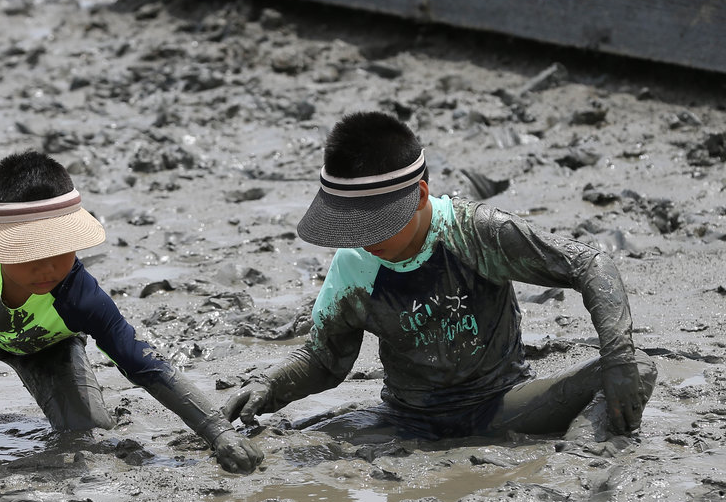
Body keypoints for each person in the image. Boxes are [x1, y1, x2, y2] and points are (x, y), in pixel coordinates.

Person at [224, 111, 656, 451]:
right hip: (407, 420)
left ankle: (588, 447)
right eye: (351, 230)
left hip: (502, 406)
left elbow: (589, 264)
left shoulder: (477, 233)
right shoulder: (352, 267)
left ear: (420, 197)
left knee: (635, 366)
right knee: (294, 442)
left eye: (376, 227)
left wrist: (616, 356)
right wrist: (271, 384)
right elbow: (325, 360)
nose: (362, 242)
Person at [0, 150, 263, 474]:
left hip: (42, 348)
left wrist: (218, 432)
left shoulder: (80, 298)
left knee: (89, 440)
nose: (47, 268)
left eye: (59, 253)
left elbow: (144, 363)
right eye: (30, 254)